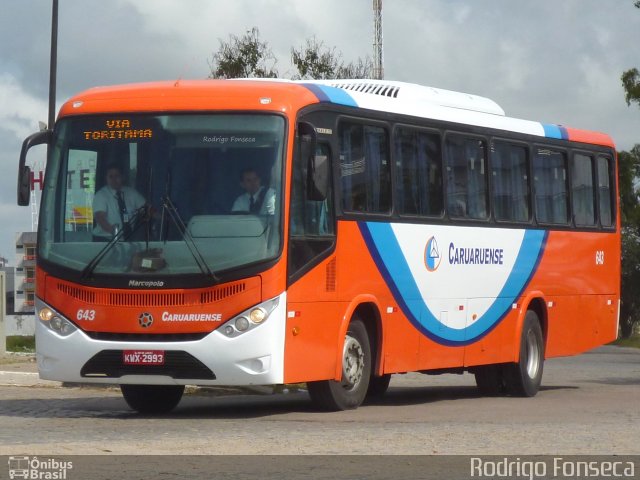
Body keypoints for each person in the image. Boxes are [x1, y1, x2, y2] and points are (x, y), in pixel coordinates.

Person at [92, 164, 146, 240]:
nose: (114, 180)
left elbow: (147, 208)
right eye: (110, 177)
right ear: (106, 178)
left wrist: (162, 219)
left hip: (128, 239)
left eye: (117, 176)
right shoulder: (101, 195)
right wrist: (112, 231)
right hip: (105, 239)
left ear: (122, 177)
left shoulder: (132, 193)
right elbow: (100, 217)